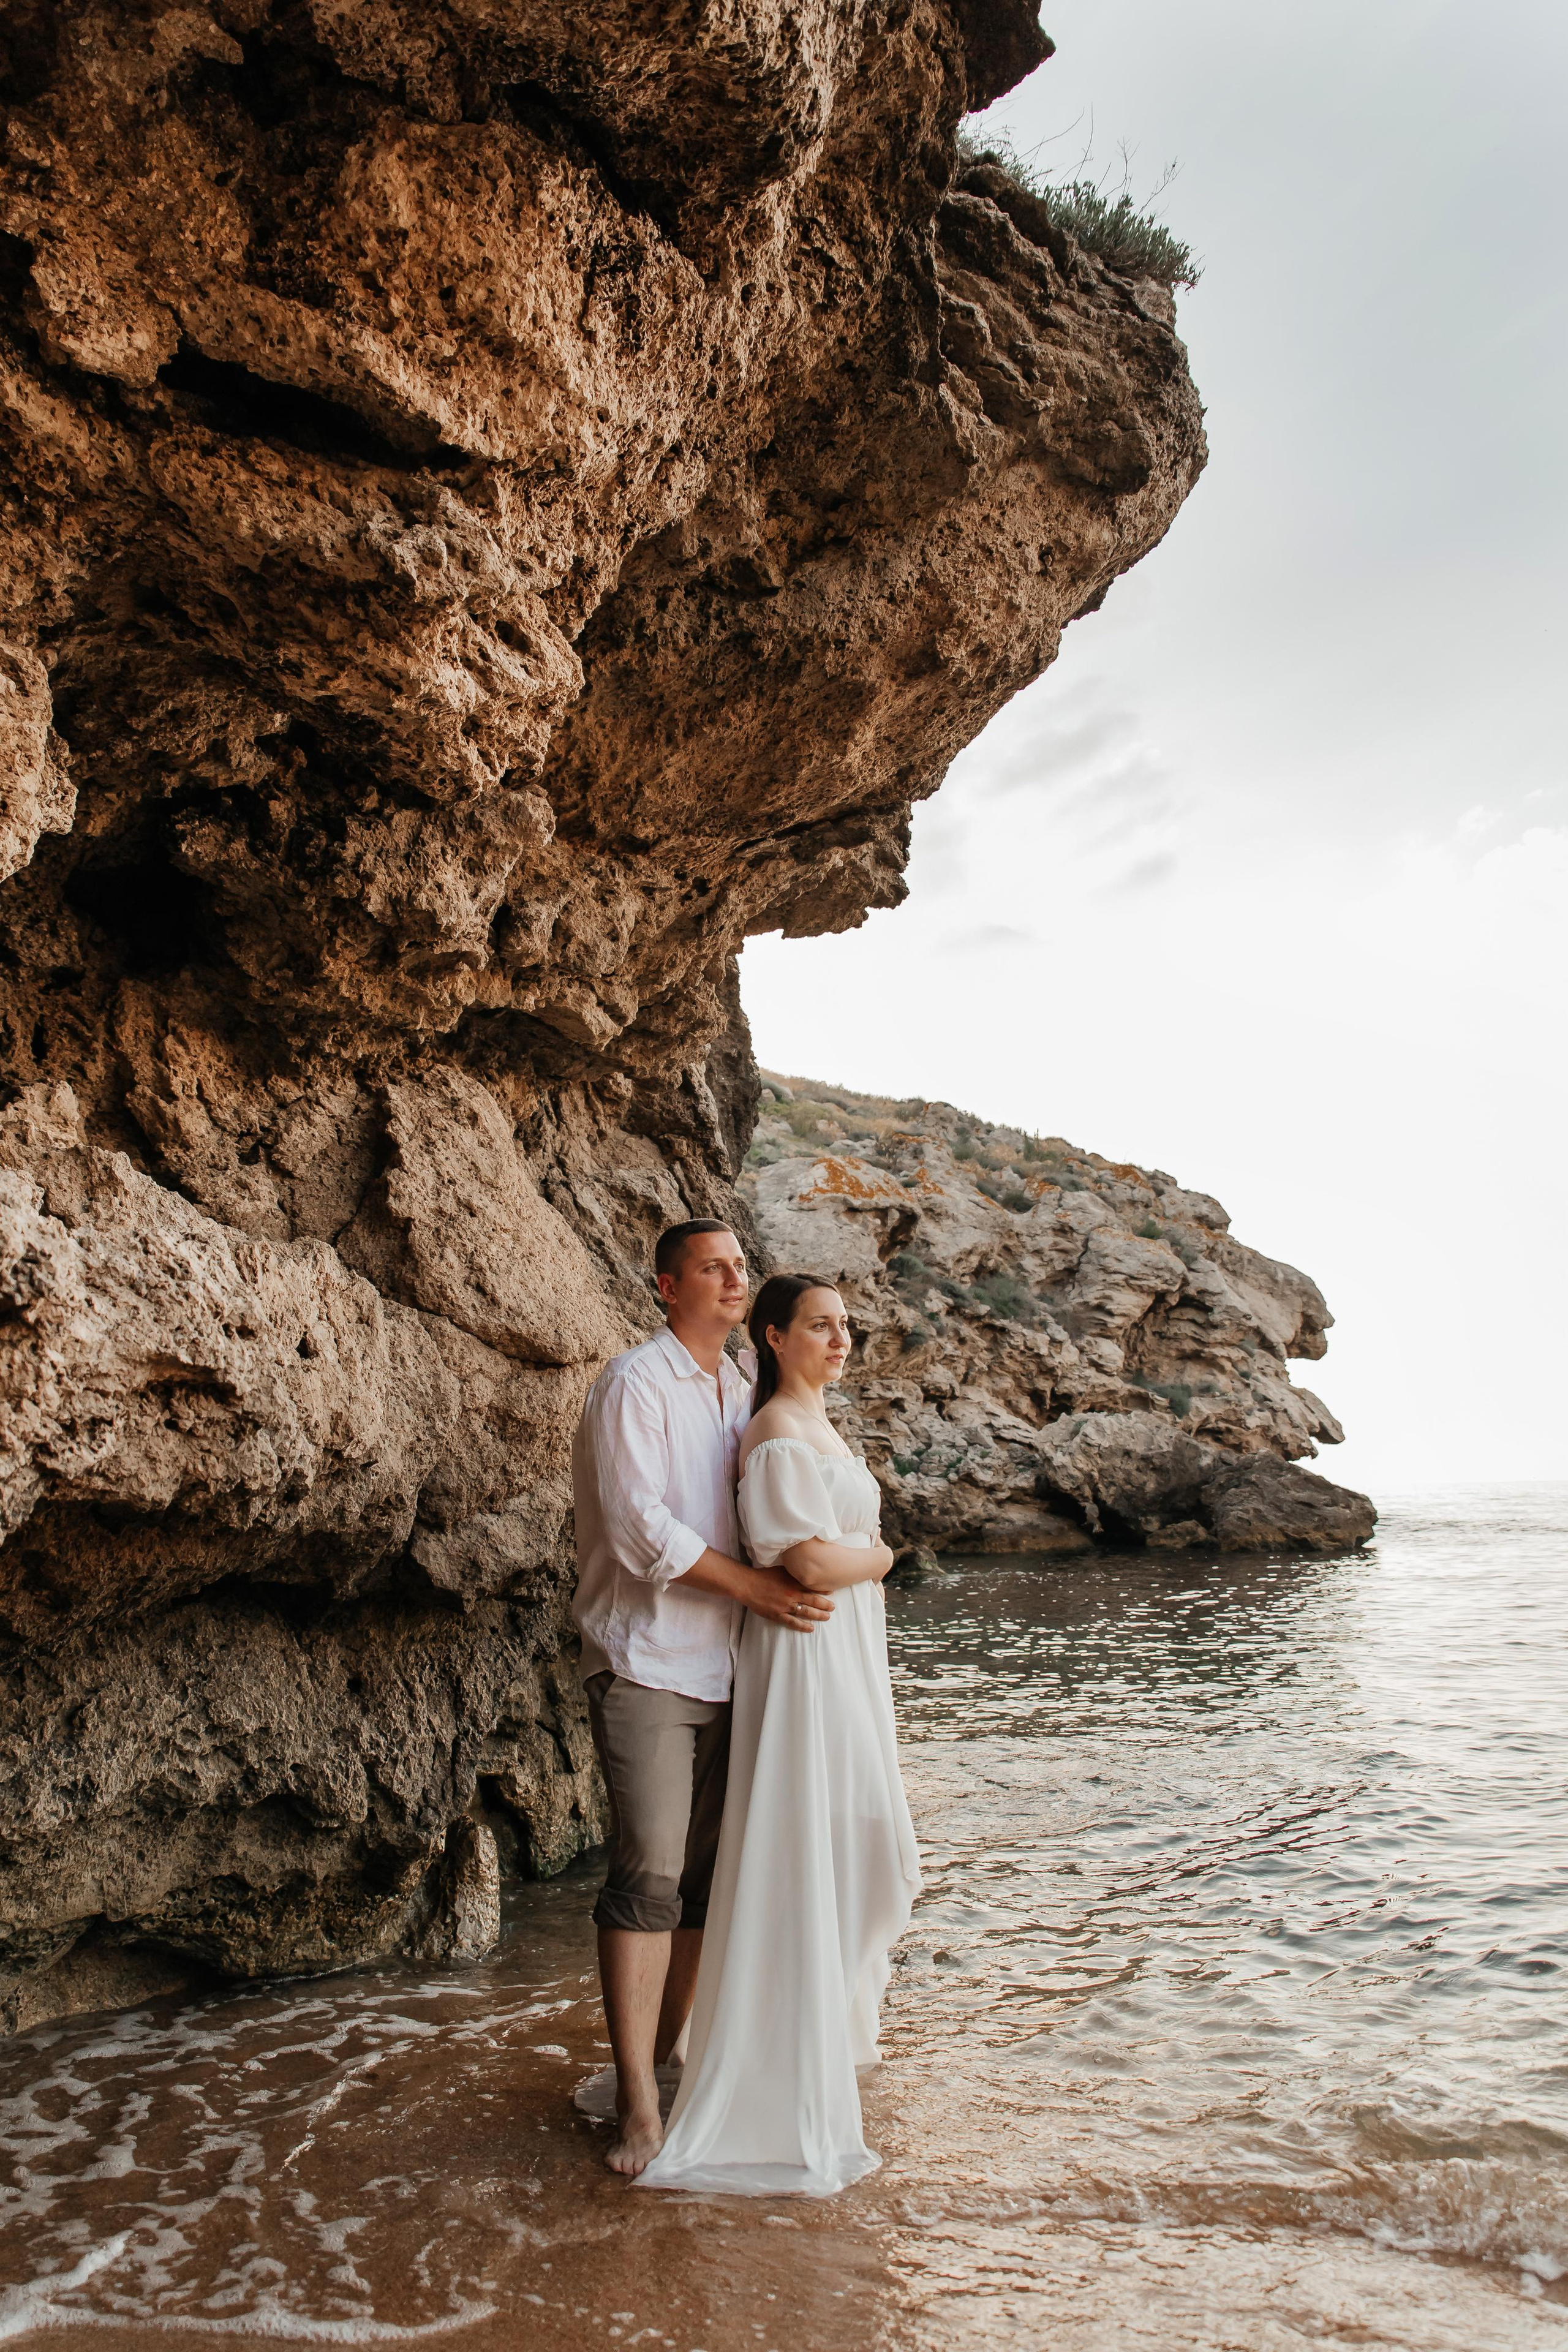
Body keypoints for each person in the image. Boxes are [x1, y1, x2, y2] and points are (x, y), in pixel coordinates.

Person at [635, 1274, 922, 2198]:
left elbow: (827, 1555)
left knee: (868, 1845)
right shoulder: (775, 1434)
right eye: (819, 1326)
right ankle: (775, 2064)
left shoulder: (821, 1426)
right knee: (817, 1838)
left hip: (846, 1658)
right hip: (805, 1661)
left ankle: (819, 2034)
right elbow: (804, 1560)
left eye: (846, 1326)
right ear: (773, 1335)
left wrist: (860, 1561)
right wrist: (880, 1555)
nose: (840, 1340)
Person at [570, 1222, 835, 2178]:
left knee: (700, 1891)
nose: (735, 1279)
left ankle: (671, 2062)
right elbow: (644, 1532)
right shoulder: (634, 1384)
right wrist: (762, 1590)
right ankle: (636, 2106)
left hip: (737, 1672)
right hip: (647, 1661)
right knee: (645, 1879)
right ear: (666, 1286)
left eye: (740, 1268)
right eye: (715, 1268)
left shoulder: (739, 1392)